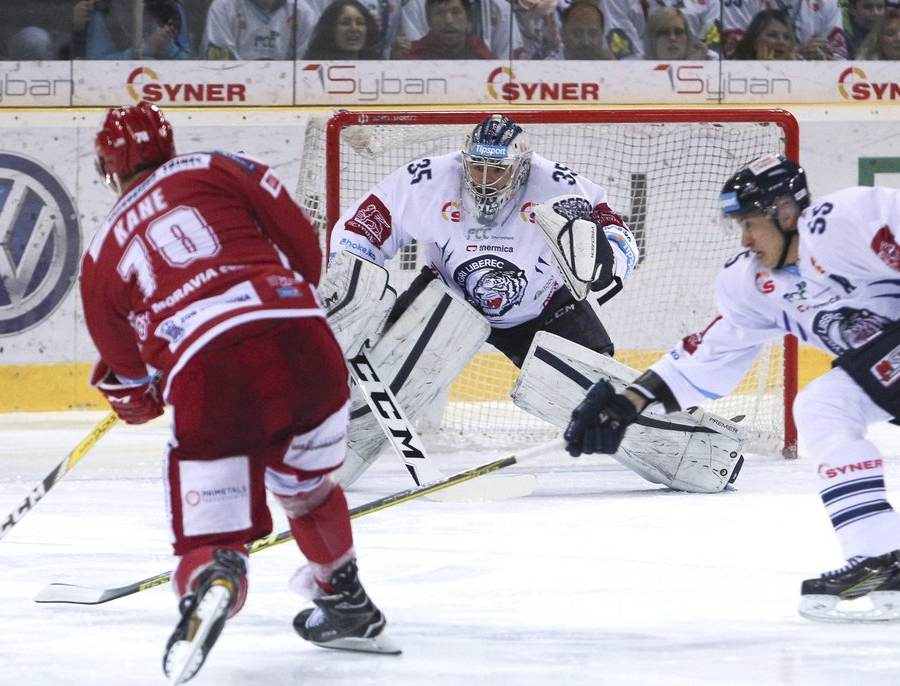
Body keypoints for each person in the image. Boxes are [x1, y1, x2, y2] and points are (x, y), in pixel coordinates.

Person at [81, 102, 398, 679]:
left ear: (109, 169)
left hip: (214, 375)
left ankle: (216, 574)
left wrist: (148, 391)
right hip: (307, 345)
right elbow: (303, 245)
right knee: (305, 487)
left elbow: (131, 386)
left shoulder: (100, 254)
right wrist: (274, 301)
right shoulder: (222, 165)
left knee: (216, 528)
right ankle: (345, 599)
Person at [563, 153, 900, 623]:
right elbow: (710, 353)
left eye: (750, 223)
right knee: (822, 407)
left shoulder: (848, 220)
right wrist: (627, 403)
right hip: (887, 371)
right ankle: (879, 556)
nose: (744, 239)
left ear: (787, 214)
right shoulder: (755, 283)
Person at [325, 114, 638, 482]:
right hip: (446, 301)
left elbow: (614, 229)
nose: (485, 180)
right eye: (476, 168)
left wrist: (611, 260)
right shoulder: (427, 180)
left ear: (521, 168)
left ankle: (674, 451)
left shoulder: (557, 184)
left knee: (603, 393)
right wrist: (355, 291)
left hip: (542, 307)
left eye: (497, 170)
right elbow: (358, 230)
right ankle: (326, 454)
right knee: (378, 377)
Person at [722, 0, 847, 60]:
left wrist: (823, 60)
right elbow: (733, 57)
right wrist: (793, 58)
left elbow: (840, 58)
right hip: (750, 80)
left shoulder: (827, 2)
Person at [401, 0, 523, 59]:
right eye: (440, 13)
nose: (448, 20)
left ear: (468, 18)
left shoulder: (479, 50)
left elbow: (506, 69)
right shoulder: (416, 5)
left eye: (456, 13)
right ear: (428, 19)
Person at [201, 0, 317, 59]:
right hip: (236, 93)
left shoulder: (302, 12)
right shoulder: (223, 7)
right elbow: (219, 64)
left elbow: (306, 64)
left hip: (286, 92)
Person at [82, 0, 192, 59]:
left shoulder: (171, 7)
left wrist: (166, 46)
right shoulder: (104, 10)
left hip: (166, 89)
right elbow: (96, 63)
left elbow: (187, 60)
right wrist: (145, 49)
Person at [302, 0, 382, 59]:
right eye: (345, 23)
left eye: (360, 23)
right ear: (330, 29)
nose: (354, 28)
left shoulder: (380, 67)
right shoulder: (310, 69)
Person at [643, 5, 714, 61]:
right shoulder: (636, 68)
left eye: (678, 32)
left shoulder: (712, 63)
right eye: (664, 32)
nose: (672, 38)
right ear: (652, 39)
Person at [728, 9, 798, 61]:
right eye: (772, 35)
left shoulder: (803, 67)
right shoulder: (734, 67)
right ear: (754, 40)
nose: (781, 42)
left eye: (786, 37)